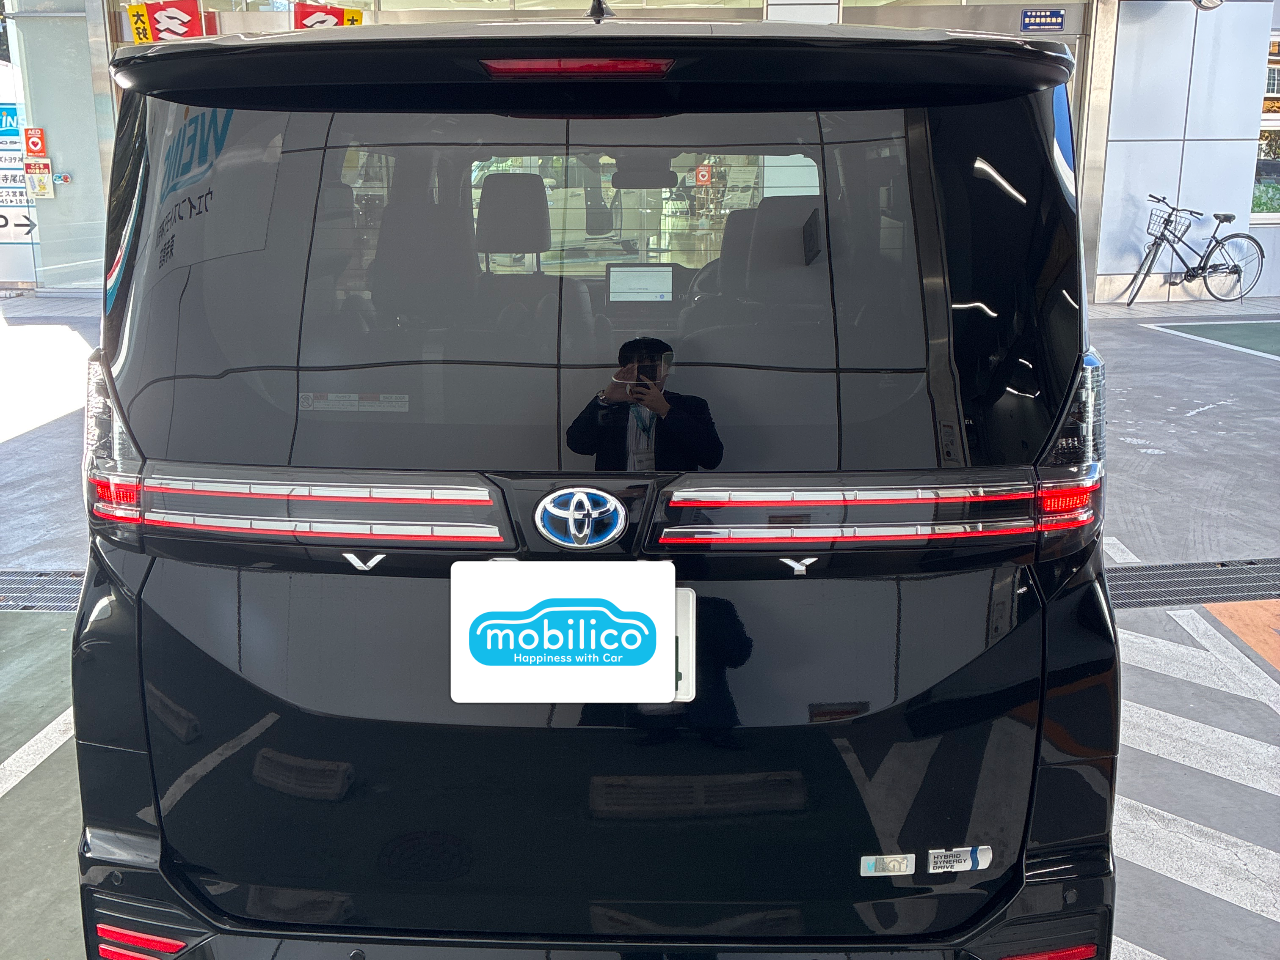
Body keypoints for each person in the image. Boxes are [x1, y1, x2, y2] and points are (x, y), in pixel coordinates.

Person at [566, 337, 723, 471]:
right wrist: (605, 400)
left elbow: (712, 459)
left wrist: (666, 411)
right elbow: (578, 445)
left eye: (653, 366)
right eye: (639, 366)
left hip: (668, 492)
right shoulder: (611, 406)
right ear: (624, 370)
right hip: (619, 493)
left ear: (667, 369)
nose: (645, 373)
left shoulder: (691, 405)